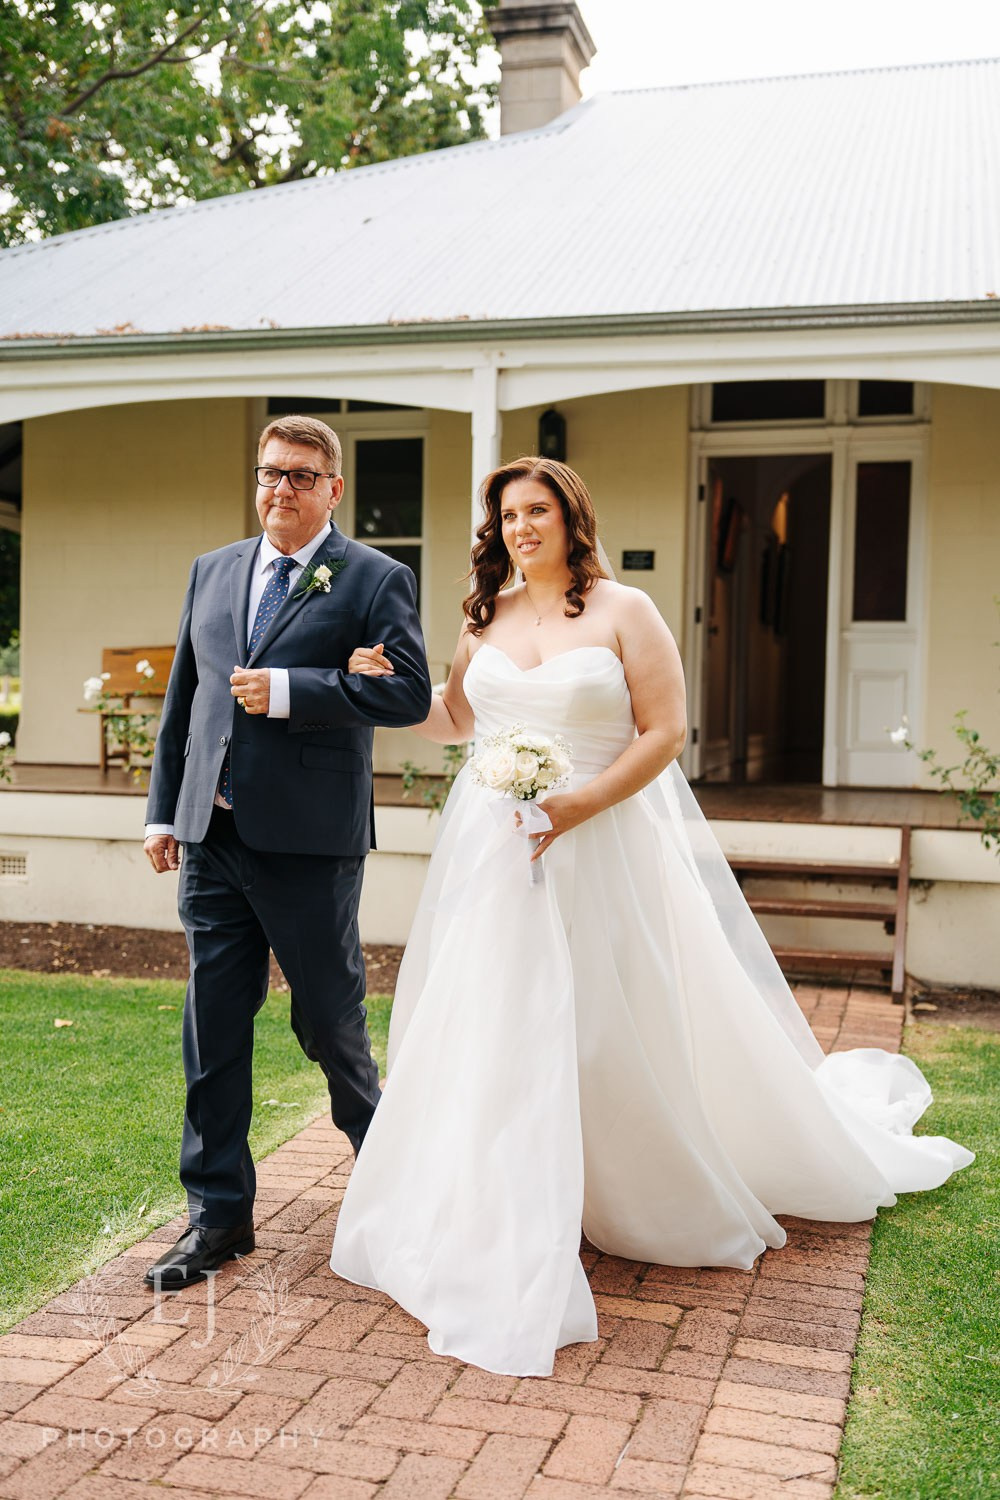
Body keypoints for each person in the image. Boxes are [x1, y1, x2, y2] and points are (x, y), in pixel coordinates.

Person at [330, 455, 973, 1378]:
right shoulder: (486, 620)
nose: (520, 528)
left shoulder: (627, 612)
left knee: (605, 1015)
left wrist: (575, 808)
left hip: (599, 844)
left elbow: (664, 732)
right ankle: (505, 1194)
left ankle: (626, 1181)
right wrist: (380, 683)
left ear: (570, 515)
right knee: (498, 1018)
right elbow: (455, 719)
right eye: (507, 515)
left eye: (537, 510)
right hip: (495, 849)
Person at [142, 414, 432, 1289]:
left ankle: (402, 1195)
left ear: (333, 488)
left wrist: (293, 691)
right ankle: (218, 1219)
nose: (282, 488)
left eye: (303, 476)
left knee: (330, 1027)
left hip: (309, 845)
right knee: (213, 1034)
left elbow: (410, 692)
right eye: (271, 473)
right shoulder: (214, 570)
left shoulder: (375, 578)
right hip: (212, 838)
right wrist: (166, 812)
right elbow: (183, 700)